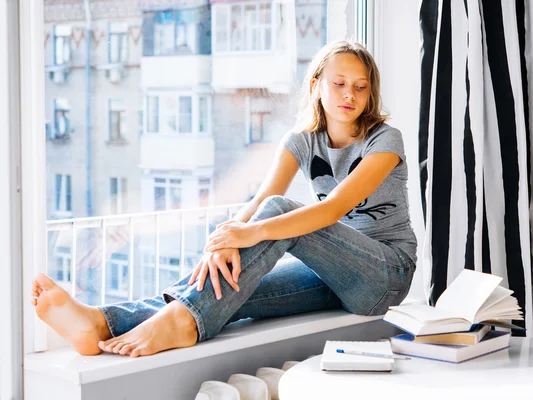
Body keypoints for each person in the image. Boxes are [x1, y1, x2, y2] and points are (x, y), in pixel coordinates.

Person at [31, 40, 417, 358]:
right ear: (317, 83)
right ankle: (102, 322)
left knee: (275, 220)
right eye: (339, 83)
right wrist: (224, 240)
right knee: (235, 284)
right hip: (333, 273)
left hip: (385, 275)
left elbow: (332, 209)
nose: (350, 94)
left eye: (360, 86)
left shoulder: (385, 140)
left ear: (370, 93)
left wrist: (247, 234)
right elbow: (262, 198)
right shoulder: (301, 140)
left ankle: (181, 323)